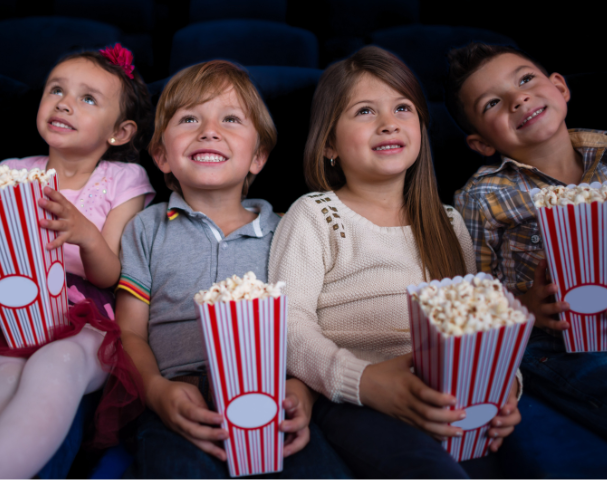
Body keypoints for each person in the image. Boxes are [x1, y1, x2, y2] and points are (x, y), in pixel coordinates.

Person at [268, 46, 522, 479]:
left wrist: (505, 387)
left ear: (421, 129)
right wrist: (362, 382)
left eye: (402, 107)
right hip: (351, 398)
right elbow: (288, 324)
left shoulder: (448, 221)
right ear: (329, 143)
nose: (389, 122)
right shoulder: (314, 214)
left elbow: (481, 323)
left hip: (446, 397)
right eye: (365, 111)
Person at [117, 59, 351, 479]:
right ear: (161, 155)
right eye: (189, 118)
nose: (209, 130)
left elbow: (313, 326)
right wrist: (156, 391)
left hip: (273, 394)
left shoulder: (290, 230)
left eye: (230, 119)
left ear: (258, 157)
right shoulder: (146, 228)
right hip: (181, 395)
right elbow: (130, 332)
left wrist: (303, 391)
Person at [0, 44, 155, 478]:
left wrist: (84, 232)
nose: (65, 103)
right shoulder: (10, 171)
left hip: (86, 316)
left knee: (56, 365)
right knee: (0, 376)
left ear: (120, 132)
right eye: (56, 90)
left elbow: (112, 274)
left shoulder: (124, 180)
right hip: (12, 316)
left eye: (88, 98)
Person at [447, 42, 607, 439]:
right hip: (553, 342)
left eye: (525, 80)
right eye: (492, 104)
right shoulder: (482, 196)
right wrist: (526, 306)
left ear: (560, 87)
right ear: (482, 143)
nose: (518, 99)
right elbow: (471, 296)